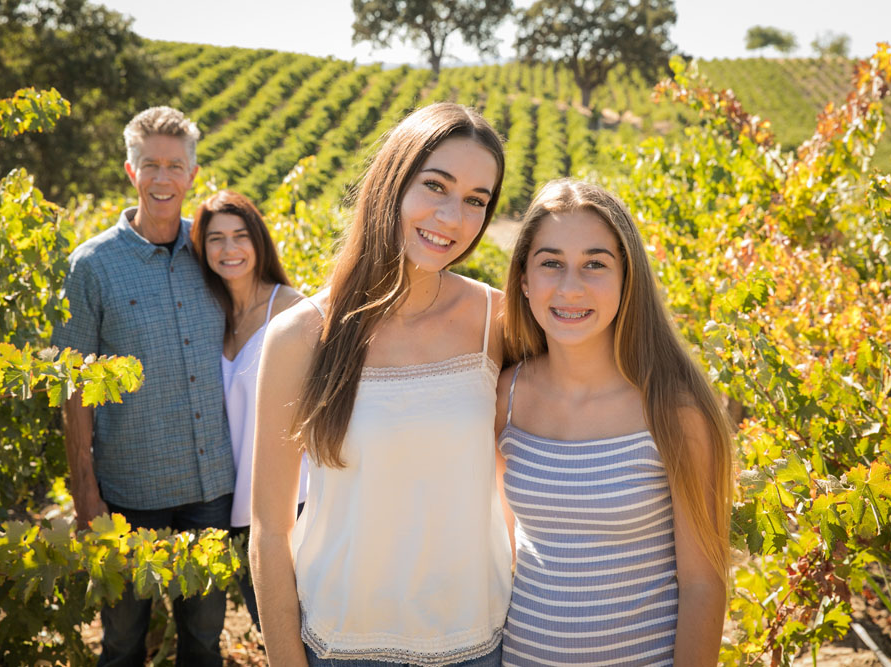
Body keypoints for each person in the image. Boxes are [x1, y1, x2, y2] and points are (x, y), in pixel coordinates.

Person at [251, 102, 513, 666]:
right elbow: (270, 529)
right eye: (435, 186)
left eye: (476, 200)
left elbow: (525, 482)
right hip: (344, 646)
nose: (452, 217)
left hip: (478, 642)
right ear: (392, 181)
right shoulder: (300, 336)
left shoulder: (498, 322)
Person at [496, 178, 732, 666]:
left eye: (595, 264)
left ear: (628, 279)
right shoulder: (507, 395)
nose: (570, 287)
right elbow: (506, 549)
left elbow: (703, 584)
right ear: (524, 280)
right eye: (551, 263)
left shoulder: (672, 410)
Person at [52, 106, 234, 666]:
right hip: (129, 491)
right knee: (123, 642)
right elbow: (73, 387)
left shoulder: (214, 251)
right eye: (150, 165)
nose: (162, 178)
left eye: (174, 166)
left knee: (204, 641)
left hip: (211, 489)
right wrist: (85, 491)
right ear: (131, 171)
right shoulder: (92, 266)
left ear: (192, 174)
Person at [190, 189, 304, 628]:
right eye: (216, 238)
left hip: (297, 503)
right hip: (241, 509)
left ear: (258, 241)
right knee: (271, 632)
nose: (229, 248)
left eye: (240, 235)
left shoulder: (291, 308)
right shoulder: (211, 316)